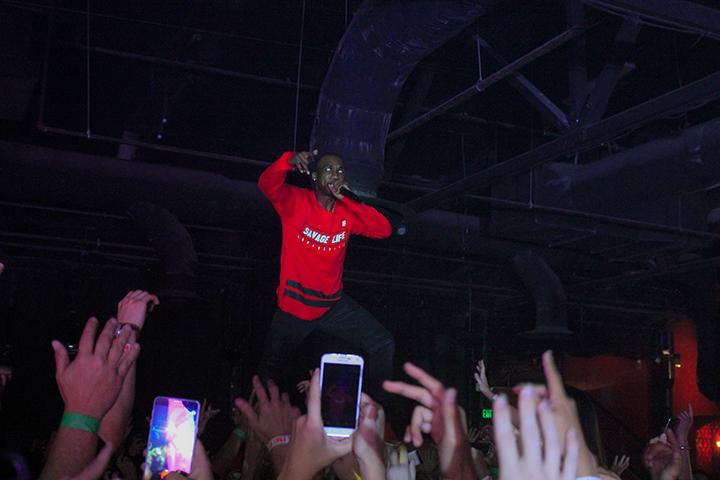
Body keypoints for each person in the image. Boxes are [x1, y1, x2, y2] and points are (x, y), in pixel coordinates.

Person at [257, 150, 395, 396]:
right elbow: (266, 184)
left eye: (340, 171)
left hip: (332, 306)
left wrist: (351, 200)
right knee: (267, 373)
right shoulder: (295, 202)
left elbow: (383, 229)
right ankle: (251, 427)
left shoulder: (347, 213)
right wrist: (287, 160)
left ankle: (376, 416)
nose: (336, 175)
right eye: (329, 170)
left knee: (383, 343)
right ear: (314, 176)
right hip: (293, 310)